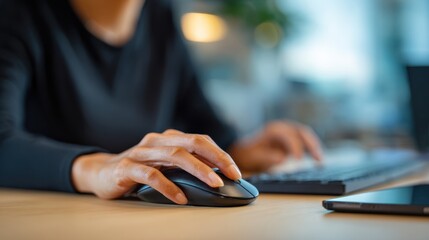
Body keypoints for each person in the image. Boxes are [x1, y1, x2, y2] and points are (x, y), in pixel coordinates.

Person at [0, 0, 322, 205]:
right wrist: (97, 168)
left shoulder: (160, 17)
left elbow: (203, 119)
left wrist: (241, 149)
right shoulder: (18, 14)